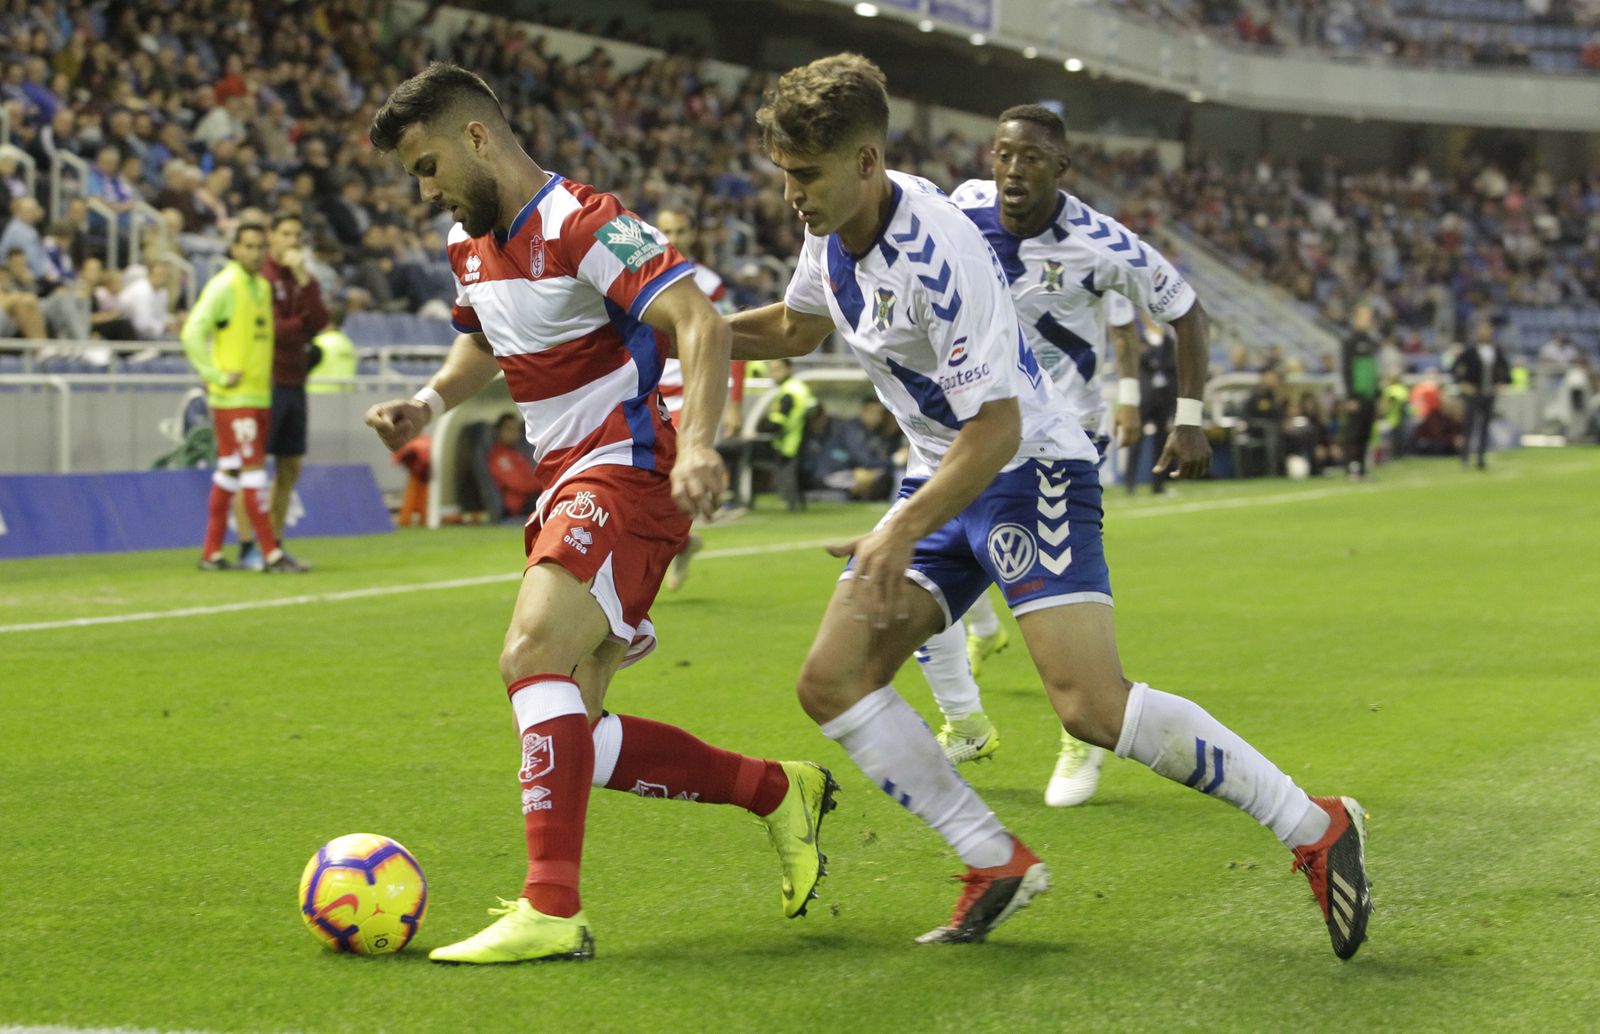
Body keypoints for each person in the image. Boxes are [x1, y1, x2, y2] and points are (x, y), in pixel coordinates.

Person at [728, 53, 1370, 957]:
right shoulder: (832, 224)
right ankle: (994, 860)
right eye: (784, 173)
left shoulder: (938, 254)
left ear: (867, 161)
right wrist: (673, 330)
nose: (791, 194)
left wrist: (900, 526)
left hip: (1030, 467)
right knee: (832, 680)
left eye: (806, 175)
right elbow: (798, 326)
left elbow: (995, 429)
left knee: (1090, 707)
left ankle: (1315, 825)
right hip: (942, 471)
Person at [363, 63, 836, 966]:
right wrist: (426, 404)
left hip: (628, 468)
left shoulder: (584, 222)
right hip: (565, 484)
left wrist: (700, 446)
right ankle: (778, 792)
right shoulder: (469, 242)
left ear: (476, 138)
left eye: (427, 167)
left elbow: (699, 322)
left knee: (530, 653)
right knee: (572, 727)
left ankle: (551, 909)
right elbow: (484, 339)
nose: (424, 191)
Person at [925, 104, 1207, 809]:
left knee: (1053, 601)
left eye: (1030, 158)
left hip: (1060, 442)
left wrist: (1184, 417)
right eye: (1004, 155)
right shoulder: (963, 207)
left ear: (1061, 168)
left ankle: (1084, 732)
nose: (1013, 170)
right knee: (895, 570)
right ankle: (965, 722)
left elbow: (1183, 311)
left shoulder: (1101, 244)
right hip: (970, 429)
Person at [180, 223, 298, 572]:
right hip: (235, 400)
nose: (255, 253)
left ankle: (211, 553)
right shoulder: (224, 285)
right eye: (248, 246)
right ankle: (271, 554)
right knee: (253, 473)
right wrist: (215, 374)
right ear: (234, 249)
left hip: (258, 396)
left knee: (229, 472)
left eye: (260, 246)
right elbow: (192, 332)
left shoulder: (262, 286)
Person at [650, 203, 738, 590]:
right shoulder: (639, 273)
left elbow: (730, 338)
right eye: (666, 231)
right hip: (649, 393)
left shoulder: (709, 282)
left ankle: (671, 547)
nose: (673, 239)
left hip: (692, 394)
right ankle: (682, 543)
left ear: (692, 234)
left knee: (669, 480)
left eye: (680, 231)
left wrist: (734, 404)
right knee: (651, 483)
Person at [236, 214, 325, 572]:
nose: (292, 241)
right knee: (252, 467)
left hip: (295, 380)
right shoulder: (263, 277)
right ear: (272, 236)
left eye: (297, 235)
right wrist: (301, 325)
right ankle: (248, 548)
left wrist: (304, 279)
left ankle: (274, 546)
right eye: (286, 234)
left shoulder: (299, 277)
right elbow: (275, 329)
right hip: (266, 381)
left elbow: (321, 322)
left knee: (290, 467)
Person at [1450, 316, 1511, 469]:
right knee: (1469, 425)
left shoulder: (1496, 350)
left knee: (1485, 426)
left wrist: (1501, 383)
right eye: (1482, 329)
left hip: (1488, 393)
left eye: (1487, 329)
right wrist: (1463, 384)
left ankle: (1481, 458)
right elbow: (1455, 369)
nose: (1484, 332)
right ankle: (1465, 457)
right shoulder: (1470, 351)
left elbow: (1505, 370)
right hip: (1473, 393)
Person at [759, 356, 815, 511]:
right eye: (771, 370)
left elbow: (777, 421)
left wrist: (761, 430)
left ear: (789, 369)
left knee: (789, 475)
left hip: (790, 440)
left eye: (778, 369)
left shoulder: (788, 391)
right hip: (801, 438)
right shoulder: (799, 387)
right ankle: (796, 504)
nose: (774, 374)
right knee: (794, 475)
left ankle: (793, 506)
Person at [1341, 303, 1382, 479]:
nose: (1368, 319)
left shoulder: (1372, 342)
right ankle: (1350, 467)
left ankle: (1362, 468)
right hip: (1357, 395)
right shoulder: (1350, 342)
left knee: (1366, 433)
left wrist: (1378, 394)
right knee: (1353, 432)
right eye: (1364, 316)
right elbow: (1346, 369)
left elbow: (1374, 370)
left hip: (1370, 395)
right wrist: (1350, 396)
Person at [488, 411, 540, 516]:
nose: (515, 434)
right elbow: (521, 484)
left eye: (517, 430)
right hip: (520, 504)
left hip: (532, 498)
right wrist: (543, 484)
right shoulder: (499, 457)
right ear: (498, 431)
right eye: (509, 429)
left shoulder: (515, 453)